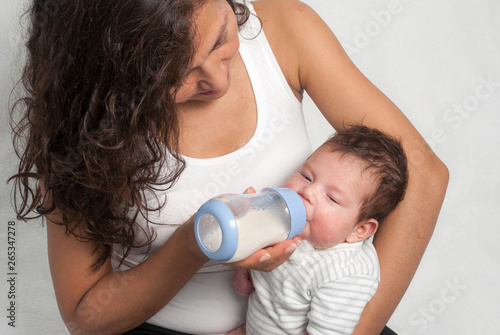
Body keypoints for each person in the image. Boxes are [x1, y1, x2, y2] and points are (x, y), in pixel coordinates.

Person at [9, 0, 449, 334]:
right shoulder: (78, 130)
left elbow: (423, 175)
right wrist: (194, 243)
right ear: (115, 79)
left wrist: (353, 327)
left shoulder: (280, 28)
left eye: (221, 38)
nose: (219, 82)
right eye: (173, 76)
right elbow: (86, 315)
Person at [232, 125, 409, 334]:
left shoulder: (344, 275)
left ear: (359, 230)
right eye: (307, 176)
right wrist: (246, 270)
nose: (308, 191)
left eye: (332, 198)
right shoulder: (283, 220)